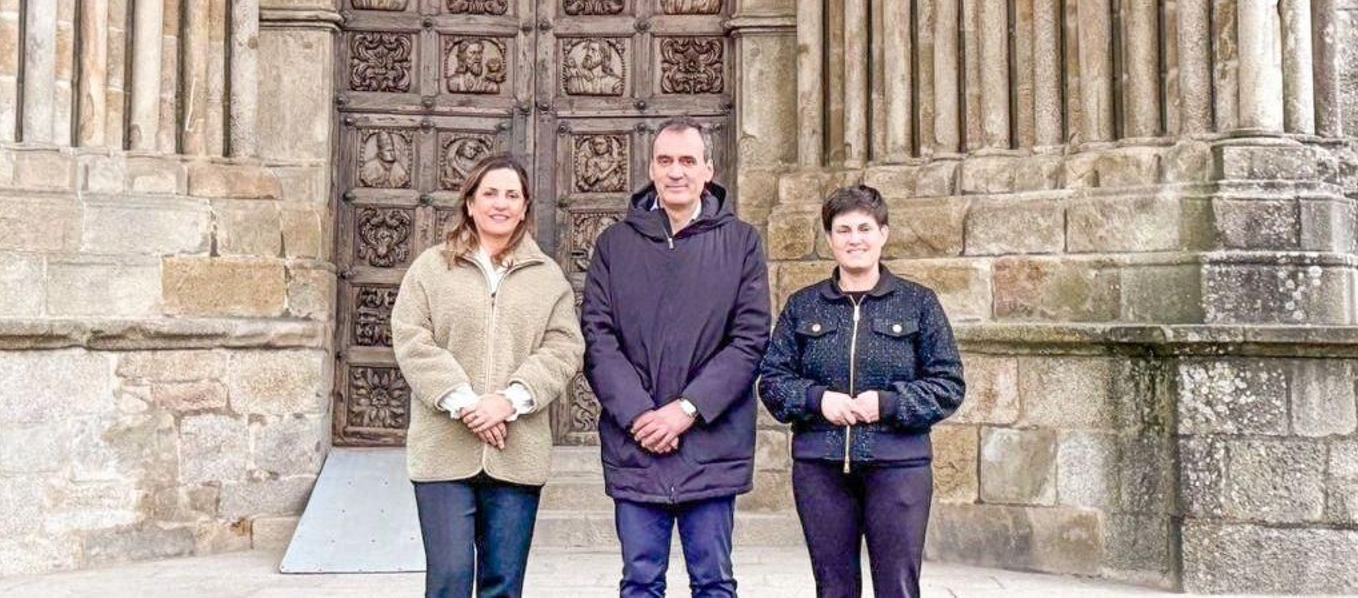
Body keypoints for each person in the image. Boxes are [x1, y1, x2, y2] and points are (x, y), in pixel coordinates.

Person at [581, 116, 771, 598]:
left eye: (688, 160)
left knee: (713, 582)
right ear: (651, 169)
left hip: (711, 440)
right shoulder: (614, 245)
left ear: (709, 170)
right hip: (636, 442)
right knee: (640, 582)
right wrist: (640, 415)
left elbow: (749, 339)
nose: (676, 171)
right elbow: (598, 337)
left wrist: (687, 409)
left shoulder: (741, 242)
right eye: (665, 160)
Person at [391, 154, 586, 598]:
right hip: (443, 451)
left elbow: (563, 348)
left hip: (516, 451)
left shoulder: (548, 278)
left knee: (503, 585)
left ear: (524, 207)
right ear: (471, 202)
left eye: (512, 195)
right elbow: (412, 338)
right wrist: (466, 403)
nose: (501, 203)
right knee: (450, 578)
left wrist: (509, 400)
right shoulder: (431, 268)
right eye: (490, 193)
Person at [758, 185, 966, 598]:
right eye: (843, 230)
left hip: (898, 466)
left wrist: (887, 404)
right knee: (833, 588)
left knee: (897, 587)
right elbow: (773, 380)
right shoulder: (803, 305)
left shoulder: (918, 303)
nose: (855, 239)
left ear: (883, 234)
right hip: (821, 468)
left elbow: (948, 384)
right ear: (830, 238)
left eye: (864, 228)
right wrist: (819, 400)